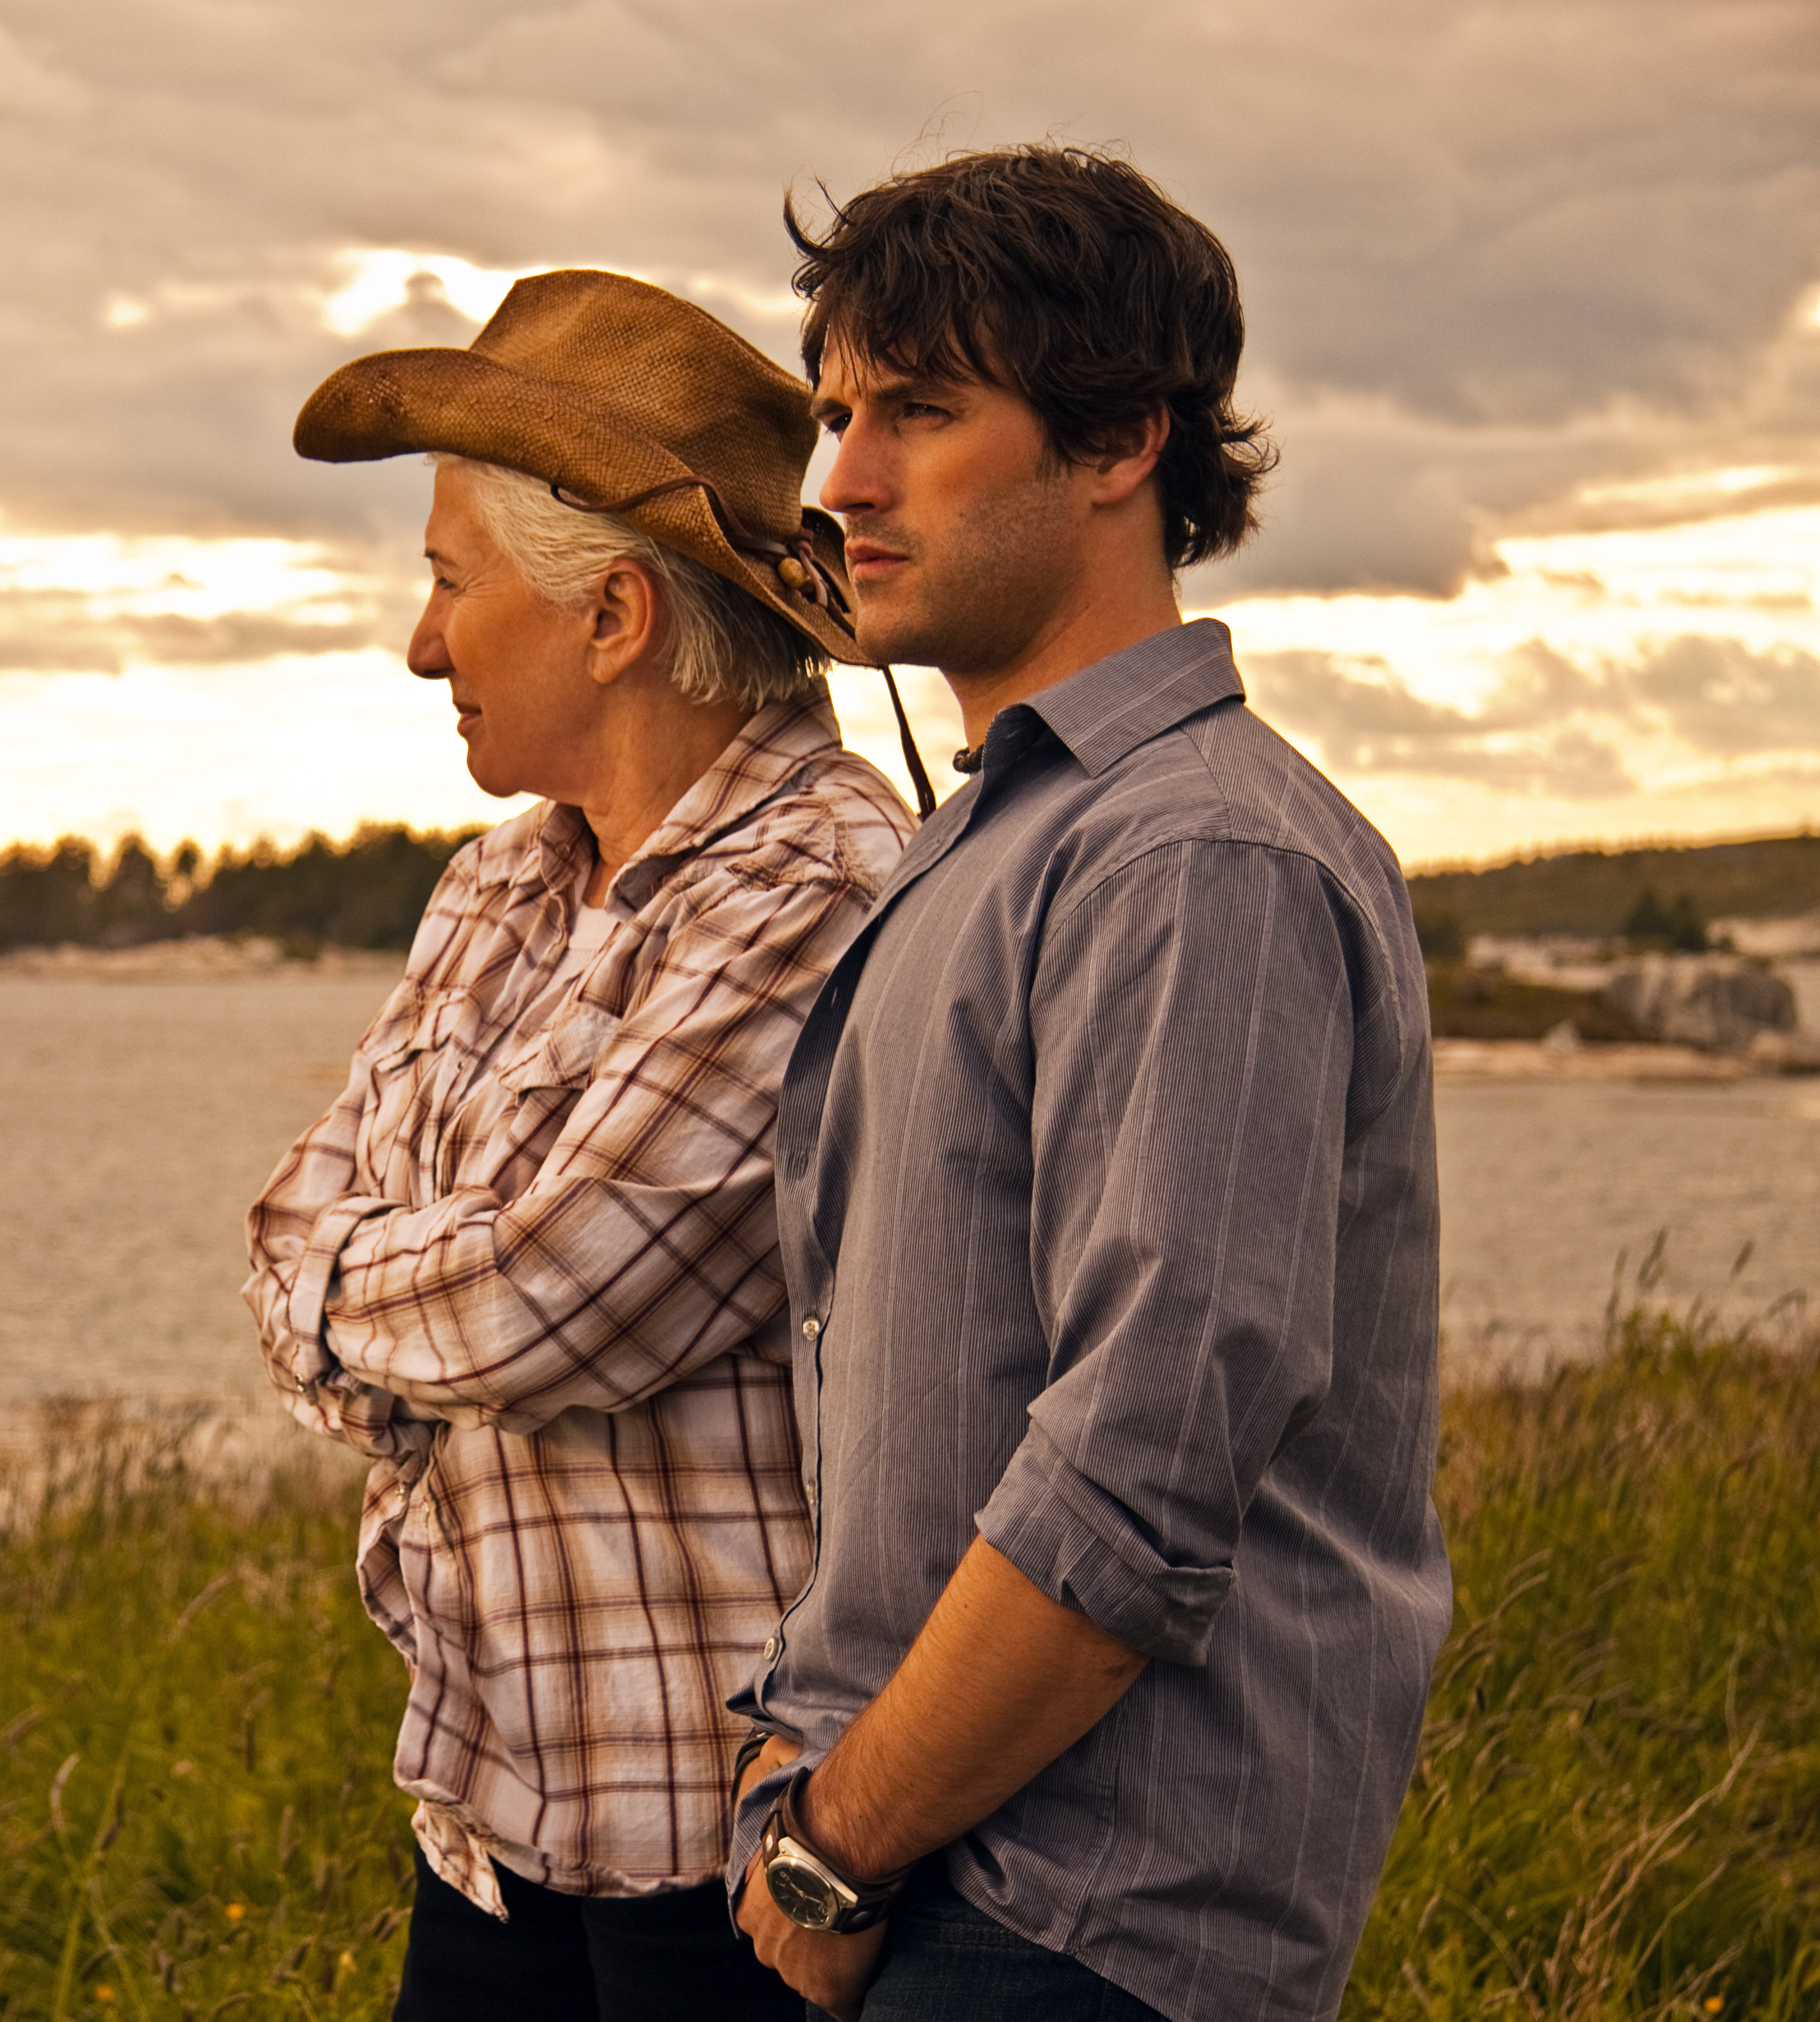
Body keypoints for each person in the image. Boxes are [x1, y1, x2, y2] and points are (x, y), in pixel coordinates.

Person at [725, 146, 1450, 2022]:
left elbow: (1139, 1471)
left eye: (918, 414)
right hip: (955, 1869)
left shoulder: (1195, 856)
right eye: (830, 416)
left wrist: (836, 1840)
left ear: (1123, 438)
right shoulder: (1016, 832)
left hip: (1086, 1917)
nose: (839, 483)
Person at [246, 267, 924, 2020]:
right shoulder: (506, 877)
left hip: (731, 1862)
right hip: (493, 1808)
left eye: (447, 584)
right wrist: (409, 1283)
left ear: (615, 615)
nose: (419, 643)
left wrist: (363, 1298)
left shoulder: (826, 886)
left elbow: (550, 1298)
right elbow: (294, 1228)